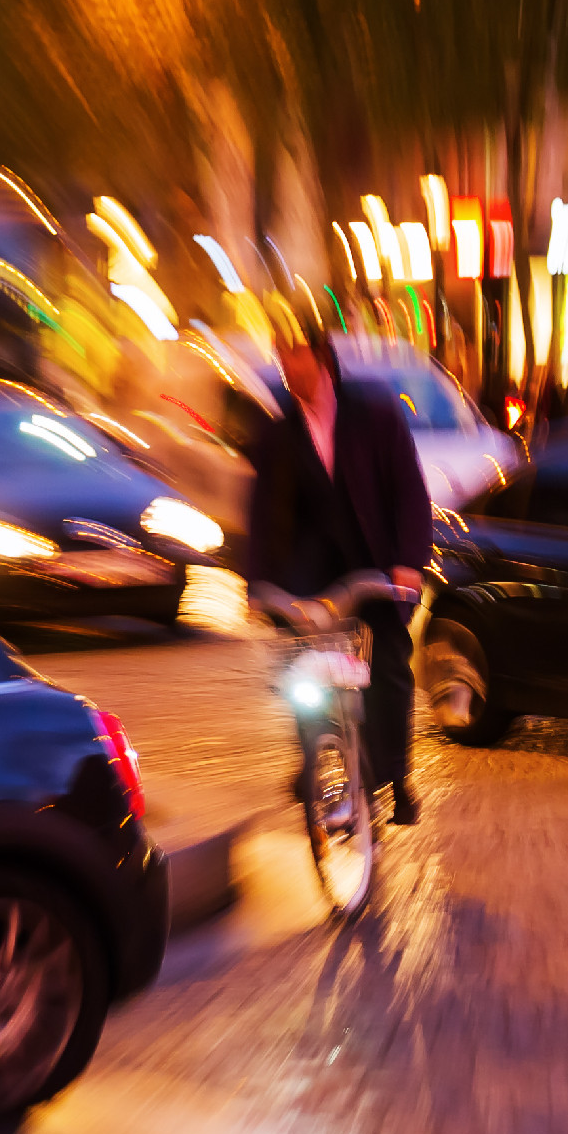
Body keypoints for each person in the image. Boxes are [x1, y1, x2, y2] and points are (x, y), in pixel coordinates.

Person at [245, 310, 432, 825]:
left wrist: (408, 564)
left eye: (294, 351)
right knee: (299, 673)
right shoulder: (278, 433)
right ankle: (314, 758)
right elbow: (263, 514)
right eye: (278, 352)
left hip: (374, 568)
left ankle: (395, 777)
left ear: (320, 353)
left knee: (388, 670)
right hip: (312, 577)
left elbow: (410, 492)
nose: (285, 363)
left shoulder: (374, 416)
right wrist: (258, 584)